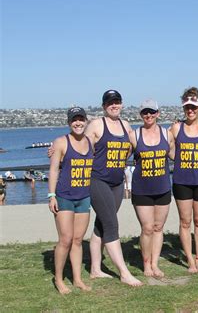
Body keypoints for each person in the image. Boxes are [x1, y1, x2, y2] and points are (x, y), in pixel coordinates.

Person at [86, 90, 142, 286]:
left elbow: (134, 146)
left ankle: (94, 269)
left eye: (117, 102)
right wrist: (57, 149)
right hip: (98, 181)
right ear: (104, 106)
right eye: (110, 102)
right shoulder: (96, 125)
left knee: (101, 224)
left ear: (122, 104)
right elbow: (81, 147)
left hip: (117, 182)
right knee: (111, 224)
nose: (114, 105)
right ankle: (124, 273)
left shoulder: (125, 125)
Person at [48, 107, 94, 294]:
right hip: (64, 196)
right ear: (69, 122)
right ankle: (58, 279)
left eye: (81, 119)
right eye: (74, 120)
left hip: (84, 197)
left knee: (77, 240)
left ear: (86, 121)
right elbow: (53, 170)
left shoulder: (91, 142)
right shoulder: (61, 142)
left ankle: (77, 279)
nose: (78, 123)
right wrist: (51, 196)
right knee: (65, 239)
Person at [170, 87, 198, 273]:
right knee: (185, 221)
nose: (190, 110)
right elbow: (170, 151)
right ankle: (189, 259)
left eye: (193, 107)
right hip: (182, 180)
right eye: (187, 107)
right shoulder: (176, 127)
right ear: (183, 108)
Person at [130, 99, 174, 278]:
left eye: (152, 112)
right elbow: (117, 154)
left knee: (158, 227)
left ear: (158, 113)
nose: (149, 115)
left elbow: (176, 154)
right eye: (145, 113)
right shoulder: (134, 136)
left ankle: (155, 263)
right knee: (147, 228)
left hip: (163, 187)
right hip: (141, 189)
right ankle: (146, 264)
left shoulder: (167, 134)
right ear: (141, 115)